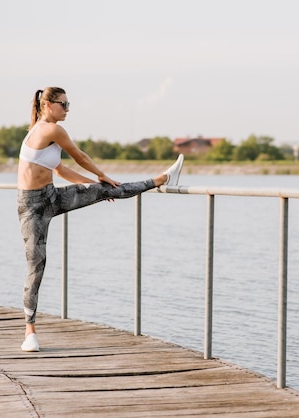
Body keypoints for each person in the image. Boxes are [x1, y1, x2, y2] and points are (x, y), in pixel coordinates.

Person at [17, 86, 183, 352]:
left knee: (106, 189)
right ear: (48, 105)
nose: (68, 109)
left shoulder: (44, 131)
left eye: (68, 104)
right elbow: (80, 156)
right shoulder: (49, 129)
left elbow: (59, 170)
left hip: (52, 197)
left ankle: (161, 179)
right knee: (36, 265)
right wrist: (102, 175)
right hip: (31, 206)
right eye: (64, 104)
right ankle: (30, 332)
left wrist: (94, 187)